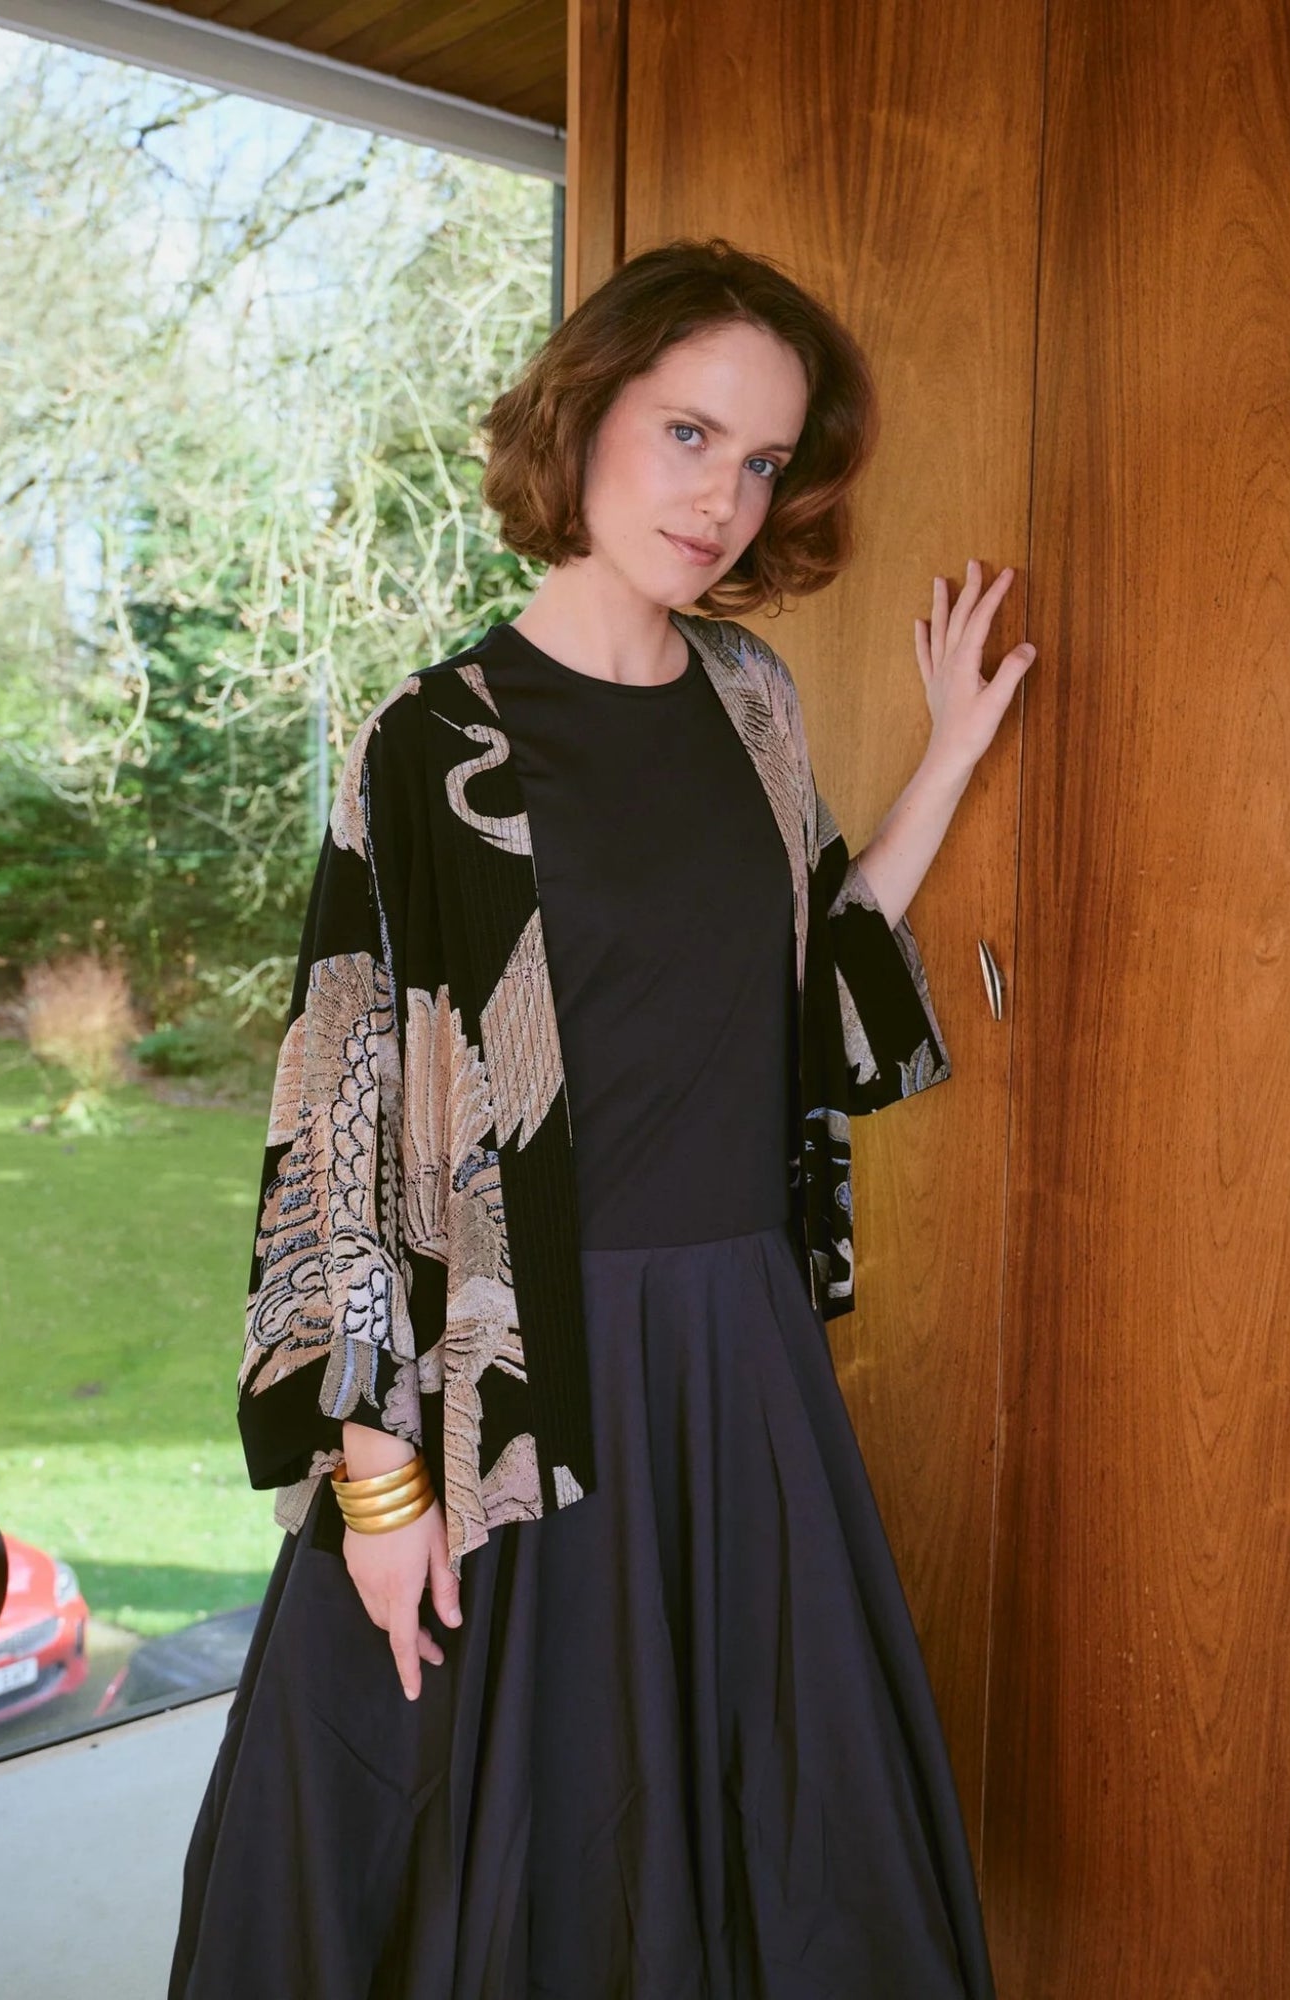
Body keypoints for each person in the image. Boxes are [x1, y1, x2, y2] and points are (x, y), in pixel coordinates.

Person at [169, 236, 1035, 1999]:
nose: (725, 497)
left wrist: (945, 753)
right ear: (588, 416)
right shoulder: (437, 747)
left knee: (778, 1848)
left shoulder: (753, 703)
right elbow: (336, 1127)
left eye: (766, 460)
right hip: (518, 1385)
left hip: (740, 1361)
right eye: (691, 434)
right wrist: (380, 1482)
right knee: (519, 1872)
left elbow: (811, 991)